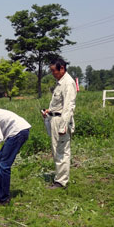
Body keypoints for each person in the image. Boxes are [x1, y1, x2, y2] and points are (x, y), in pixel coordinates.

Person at [41, 58, 77, 189]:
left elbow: (68, 106)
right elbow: (59, 104)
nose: (52, 73)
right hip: (54, 119)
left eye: (53, 71)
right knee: (56, 151)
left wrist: (63, 126)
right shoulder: (60, 83)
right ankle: (59, 177)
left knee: (62, 151)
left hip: (62, 121)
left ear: (62, 68)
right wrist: (49, 111)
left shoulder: (68, 83)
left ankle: (61, 182)